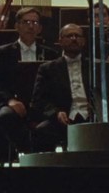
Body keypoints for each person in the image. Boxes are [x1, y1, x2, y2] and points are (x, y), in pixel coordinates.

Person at [0, 8, 59, 161]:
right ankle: (30, 153)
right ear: (17, 26)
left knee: (55, 121)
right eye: (26, 22)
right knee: (5, 116)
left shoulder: (51, 54)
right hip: (16, 102)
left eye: (34, 22)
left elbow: (54, 85)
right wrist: (10, 100)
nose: (30, 26)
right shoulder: (4, 52)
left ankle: (41, 157)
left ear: (40, 28)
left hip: (42, 104)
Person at [29, 24, 94, 152]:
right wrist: (56, 113)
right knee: (41, 132)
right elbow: (38, 100)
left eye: (77, 36)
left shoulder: (94, 66)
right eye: (69, 36)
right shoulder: (48, 68)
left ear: (84, 41)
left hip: (92, 117)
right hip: (63, 118)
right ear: (60, 41)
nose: (74, 39)